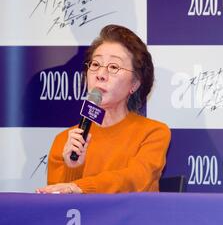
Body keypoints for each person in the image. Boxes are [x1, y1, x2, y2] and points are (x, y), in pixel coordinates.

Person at [36, 24, 170, 194]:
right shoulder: (67, 141)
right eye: (95, 64)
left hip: (133, 220)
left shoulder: (153, 133)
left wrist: (79, 187)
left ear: (134, 84)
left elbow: (135, 180)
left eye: (113, 67)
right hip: (84, 221)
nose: (100, 74)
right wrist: (73, 166)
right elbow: (61, 210)